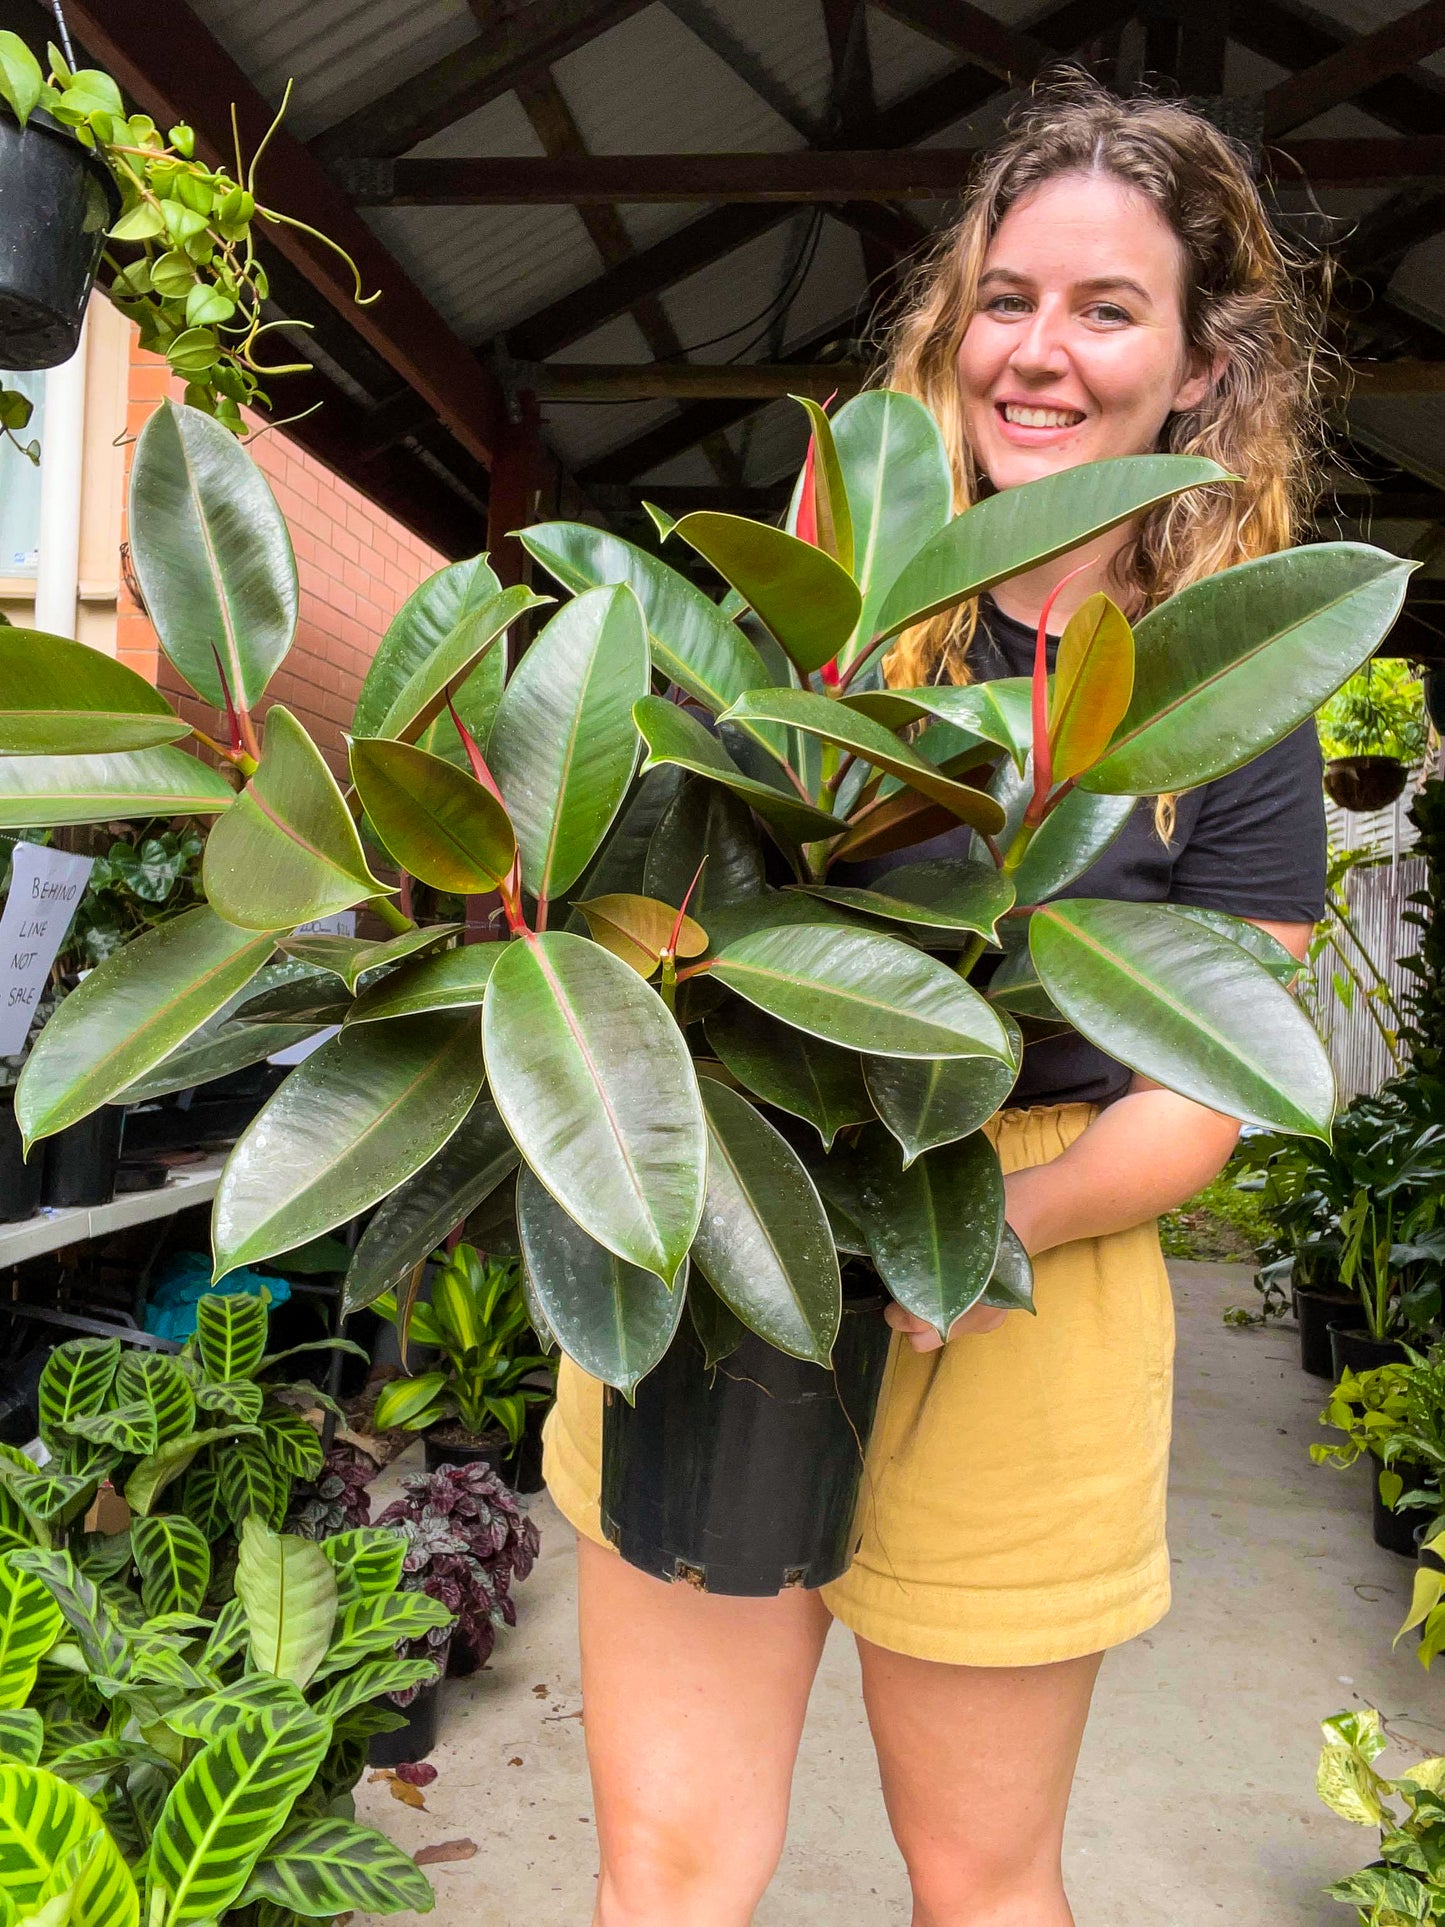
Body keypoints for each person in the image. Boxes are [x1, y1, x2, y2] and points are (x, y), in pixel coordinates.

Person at [544, 74, 1329, 1926]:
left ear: (1203, 367)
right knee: (666, 1869)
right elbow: (646, 906)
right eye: (1007, 297)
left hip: (1023, 1280)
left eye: (1105, 308)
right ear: (952, 321)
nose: (1036, 353)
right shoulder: (820, 617)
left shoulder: (1228, 693)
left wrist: (978, 1247)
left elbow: (1211, 1087)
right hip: (733, 1226)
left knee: (980, 1882)